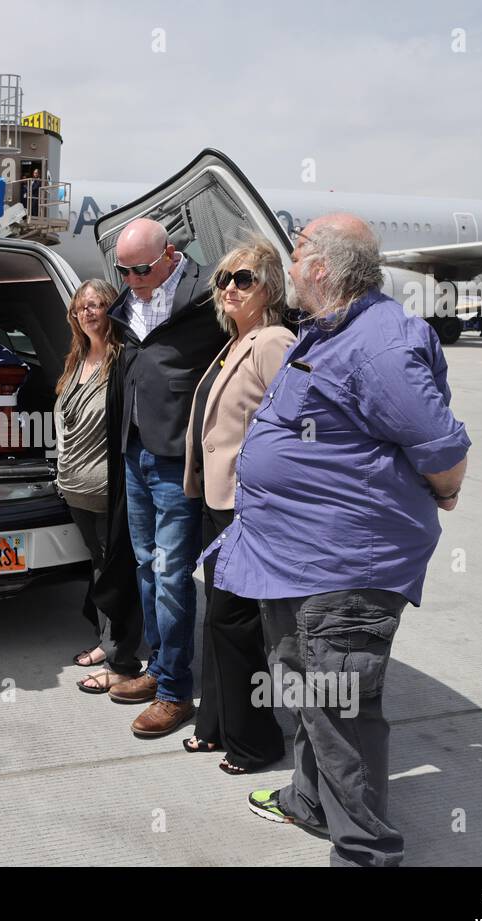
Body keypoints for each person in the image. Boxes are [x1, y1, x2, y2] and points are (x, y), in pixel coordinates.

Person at [201, 214, 471, 866]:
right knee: (300, 689)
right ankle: (311, 800)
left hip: (344, 567)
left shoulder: (378, 341)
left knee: (340, 711)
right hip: (291, 559)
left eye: (295, 255)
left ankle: (365, 852)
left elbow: (441, 446)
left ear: (321, 267)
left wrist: (445, 485)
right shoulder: (325, 329)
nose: (287, 267)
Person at [104, 218, 226, 738]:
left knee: (174, 575)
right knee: (147, 566)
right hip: (134, 451)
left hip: (178, 456)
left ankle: (177, 692)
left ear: (171, 255)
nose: (131, 278)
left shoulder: (207, 296)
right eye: (123, 269)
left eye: (140, 268)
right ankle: (158, 669)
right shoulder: (127, 297)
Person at [182, 239, 295, 773]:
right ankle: (215, 726)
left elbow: (297, 430)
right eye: (224, 279)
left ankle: (255, 742)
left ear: (269, 286)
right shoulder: (237, 342)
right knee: (219, 620)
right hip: (216, 501)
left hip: (248, 508)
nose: (228, 287)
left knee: (237, 623)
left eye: (243, 278)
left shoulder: (273, 341)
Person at [53, 279, 144, 692]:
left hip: (109, 491)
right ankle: (105, 641)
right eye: (81, 307)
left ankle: (120, 651)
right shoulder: (76, 358)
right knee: (97, 566)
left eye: (96, 305)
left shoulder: (123, 360)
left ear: (113, 309)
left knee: (117, 571)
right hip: (75, 489)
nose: (88, 313)